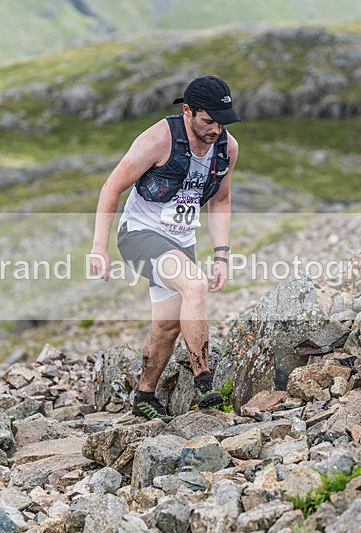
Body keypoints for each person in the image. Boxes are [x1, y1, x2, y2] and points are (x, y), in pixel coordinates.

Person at [90, 76, 240, 422]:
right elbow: (111, 188)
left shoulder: (227, 147)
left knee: (168, 327)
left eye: (223, 121)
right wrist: (100, 246)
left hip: (181, 241)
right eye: (208, 121)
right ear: (188, 111)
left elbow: (221, 200)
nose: (216, 129)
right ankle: (205, 385)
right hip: (139, 234)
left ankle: (144, 395)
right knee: (195, 285)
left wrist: (221, 255)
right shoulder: (159, 139)